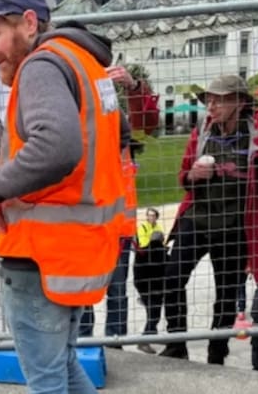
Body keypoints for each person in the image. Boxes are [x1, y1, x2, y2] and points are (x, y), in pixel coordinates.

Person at [0, 0, 136, 392]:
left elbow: (56, 147)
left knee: (45, 378)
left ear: (30, 23)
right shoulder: (87, 65)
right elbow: (118, 136)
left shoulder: (41, 65)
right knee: (62, 367)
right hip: (77, 250)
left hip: (41, 253)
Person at [159, 75, 258, 364]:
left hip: (234, 227)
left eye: (219, 99)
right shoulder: (202, 131)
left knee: (226, 293)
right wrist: (193, 176)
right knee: (172, 277)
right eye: (208, 99)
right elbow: (183, 178)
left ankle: (217, 350)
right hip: (196, 219)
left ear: (239, 102)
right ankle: (176, 342)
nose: (211, 105)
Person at [78, 64, 146, 342]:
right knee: (85, 289)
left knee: (115, 289)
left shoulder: (122, 146)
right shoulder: (87, 141)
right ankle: (85, 339)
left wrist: (131, 87)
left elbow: (144, 120)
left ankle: (115, 340)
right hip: (90, 228)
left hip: (118, 231)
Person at [133, 207, 167, 354]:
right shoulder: (143, 228)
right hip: (152, 288)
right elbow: (143, 242)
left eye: (153, 215)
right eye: (149, 215)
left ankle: (150, 335)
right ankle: (144, 340)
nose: (150, 218)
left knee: (153, 313)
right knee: (154, 314)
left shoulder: (143, 256)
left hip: (146, 286)